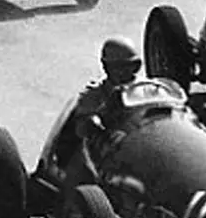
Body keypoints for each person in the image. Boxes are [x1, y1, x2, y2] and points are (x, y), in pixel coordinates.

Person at [50, 36, 147, 171]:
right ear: (107, 67)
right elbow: (81, 131)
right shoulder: (93, 98)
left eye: (132, 66)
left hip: (147, 148)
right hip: (108, 160)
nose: (126, 72)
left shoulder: (148, 89)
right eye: (119, 67)